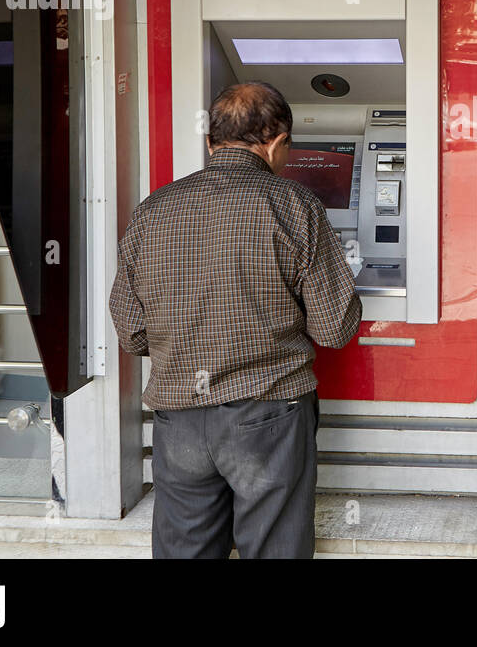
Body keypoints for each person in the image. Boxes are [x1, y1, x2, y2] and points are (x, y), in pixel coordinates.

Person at [109, 80, 362, 559]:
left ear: (210, 141)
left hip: (178, 417)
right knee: (274, 548)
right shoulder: (295, 206)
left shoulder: (152, 211)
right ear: (277, 143)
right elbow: (334, 328)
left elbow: (131, 329)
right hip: (268, 415)